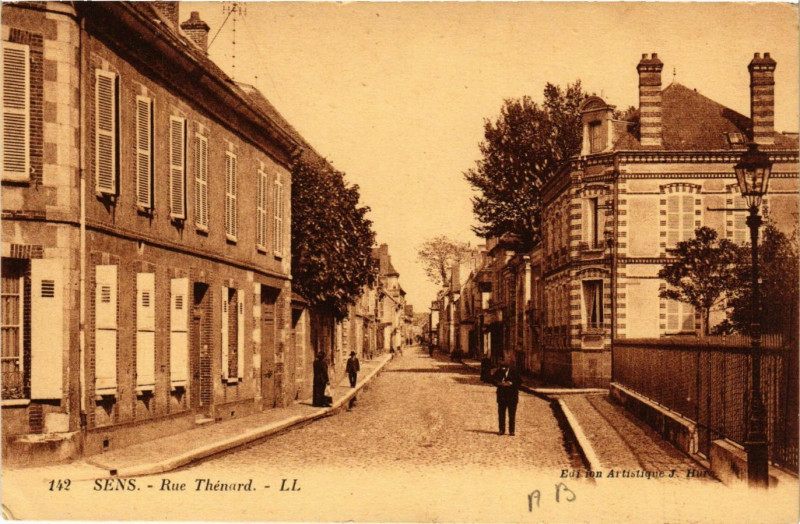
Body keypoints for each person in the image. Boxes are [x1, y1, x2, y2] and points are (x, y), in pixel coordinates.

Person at [492, 360, 520, 435]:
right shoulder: (498, 371)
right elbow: (493, 379)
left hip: (512, 397)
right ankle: (501, 429)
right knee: (501, 414)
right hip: (502, 397)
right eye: (502, 367)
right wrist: (499, 383)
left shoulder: (514, 372)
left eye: (505, 368)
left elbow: (519, 382)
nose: (503, 369)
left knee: (512, 415)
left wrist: (511, 383)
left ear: (508, 367)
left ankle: (512, 431)